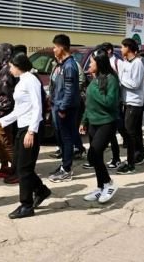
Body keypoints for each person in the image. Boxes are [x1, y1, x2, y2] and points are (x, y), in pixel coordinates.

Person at [0, 53, 51, 218]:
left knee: (23, 169)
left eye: (11, 66)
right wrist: (0, 121)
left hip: (30, 129)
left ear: (18, 66)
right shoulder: (22, 80)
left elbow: (38, 107)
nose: (9, 69)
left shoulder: (30, 80)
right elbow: (19, 110)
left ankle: (26, 205)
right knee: (19, 165)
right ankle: (41, 190)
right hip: (22, 127)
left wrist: (32, 131)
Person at [79, 49, 120, 203]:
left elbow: (110, 103)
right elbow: (89, 104)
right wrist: (84, 121)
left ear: (100, 64)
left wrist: (94, 87)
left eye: (92, 62)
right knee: (95, 157)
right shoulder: (95, 80)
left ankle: (109, 183)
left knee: (94, 154)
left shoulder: (111, 80)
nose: (89, 65)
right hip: (93, 123)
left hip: (106, 122)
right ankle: (100, 187)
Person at [48, 34, 81, 183]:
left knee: (67, 139)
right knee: (62, 137)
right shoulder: (61, 64)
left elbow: (69, 90)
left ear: (61, 47)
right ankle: (64, 165)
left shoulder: (69, 66)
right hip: (58, 106)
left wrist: (62, 108)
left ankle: (67, 169)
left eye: (55, 47)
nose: (53, 50)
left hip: (65, 108)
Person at [116, 38, 144, 175]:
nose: (121, 50)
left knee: (129, 133)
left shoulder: (137, 63)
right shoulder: (125, 63)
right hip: (126, 102)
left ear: (128, 48)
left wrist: (120, 78)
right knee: (128, 131)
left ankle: (131, 163)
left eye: (122, 47)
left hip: (135, 102)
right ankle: (138, 154)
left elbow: (135, 84)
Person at [0, 43, 17, 181]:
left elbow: (6, 94)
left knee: (6, 142)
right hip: (0, 111)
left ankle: (16, 169)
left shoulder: (7, 69)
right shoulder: (2, 68)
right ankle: (4, 166)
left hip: (4, 113)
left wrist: (1, 113)